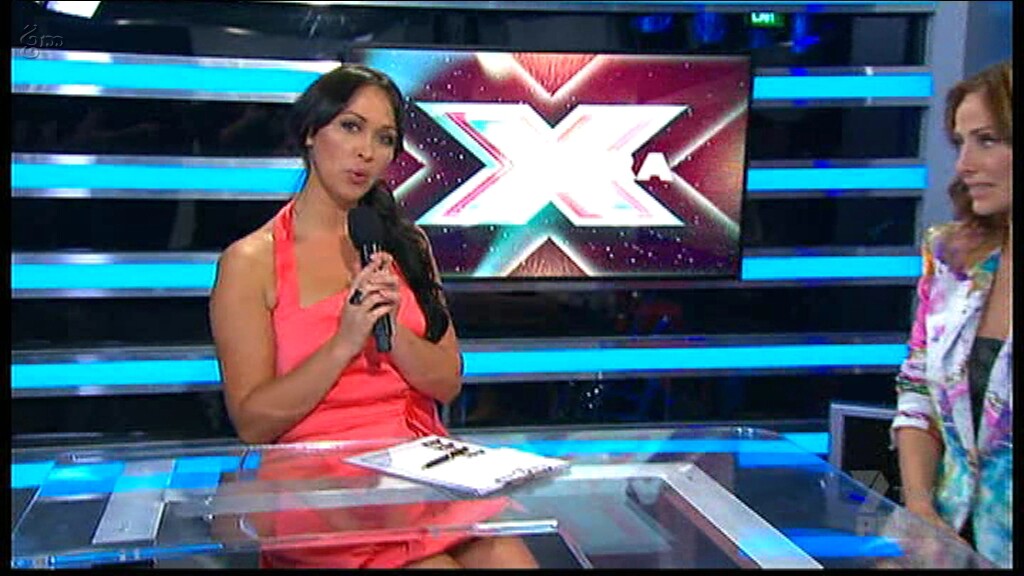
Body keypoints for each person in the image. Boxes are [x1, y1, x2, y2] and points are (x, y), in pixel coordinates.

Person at [209, 63, 538, 569]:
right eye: (350, 127)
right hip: (319, 481)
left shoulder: (406, 245)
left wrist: (392, 327)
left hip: (419, 462)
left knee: (513, 562)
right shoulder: (251, 261)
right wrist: (344, 340)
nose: (366, 151)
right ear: (310, 132)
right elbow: (253, 422)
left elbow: (446, 382)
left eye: (384, 138)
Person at [890, 60, 1012, 568]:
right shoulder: (950, 257)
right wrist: (920, 511)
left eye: (987, 140)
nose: (964, 164)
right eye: (960, 142)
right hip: (950, 545)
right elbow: (918, 389)